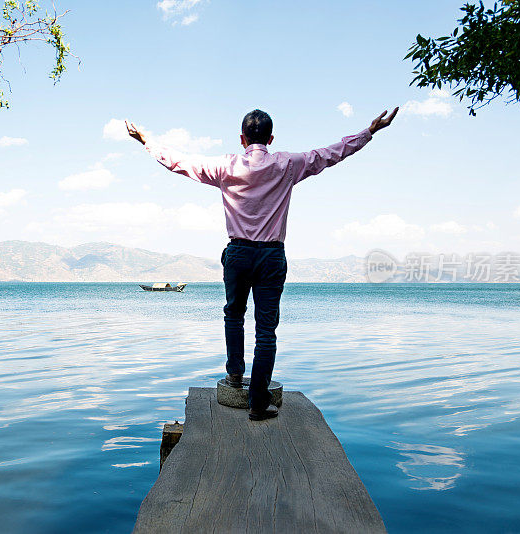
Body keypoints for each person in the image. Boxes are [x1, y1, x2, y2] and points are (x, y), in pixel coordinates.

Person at [126, 107, 398, 420]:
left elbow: (182, 163)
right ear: (270, 138)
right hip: (271, 255)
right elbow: (331, 153)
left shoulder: (225, 166)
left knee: (234, 316)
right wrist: (369, 131)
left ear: (242, 139)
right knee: (266, 331)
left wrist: (146, 141)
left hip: (239, 254)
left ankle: (234, 375)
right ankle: (258, 401)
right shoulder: (288, 164)